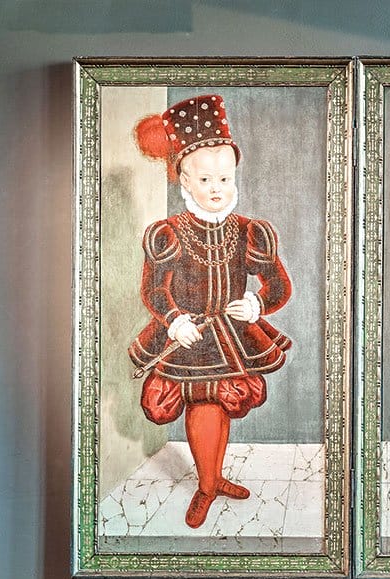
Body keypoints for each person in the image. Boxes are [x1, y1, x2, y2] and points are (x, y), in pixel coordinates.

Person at [130, 94, 293, 530]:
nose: (217, 188)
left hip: (234, 336)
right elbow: (153, 289)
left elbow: (278, 283)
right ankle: (207, 485)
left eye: (224, 177)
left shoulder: (248, 231)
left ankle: (212, 479)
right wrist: (174, 320)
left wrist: (259, 302)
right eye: (205, 179)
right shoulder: (168, 233)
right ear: (183, 181)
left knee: (220, 406)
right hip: (190, 338)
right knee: (200, 405)